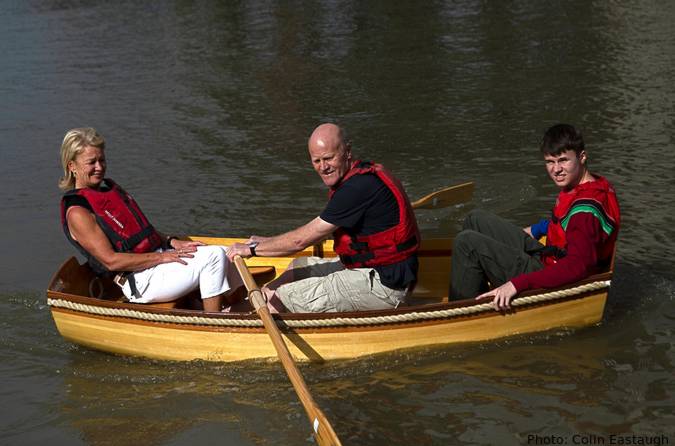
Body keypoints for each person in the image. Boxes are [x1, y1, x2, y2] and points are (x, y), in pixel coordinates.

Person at [226, 123, 420, 313]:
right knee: (296, 267)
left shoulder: (357, 188)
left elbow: (299, 241)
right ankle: (230, 313)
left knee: (281, 298)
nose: (323, 167)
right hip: (369, 270)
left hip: (385, 285)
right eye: (316, 161)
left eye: (328, 158)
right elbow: (317, 232)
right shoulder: (355, 178)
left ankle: (252, 319)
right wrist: (268, 242)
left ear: (347, 151)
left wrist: (251, 250)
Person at [58, 127, 242, 312]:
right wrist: (161, 257)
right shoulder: (78, 212)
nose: (99, 167)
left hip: (157, 263)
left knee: (227, 252)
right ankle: (212, 324)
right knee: (214, 258)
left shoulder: (107, 190)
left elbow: (140, 232)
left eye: (102, 160)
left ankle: (239, 308)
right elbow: (111, 261)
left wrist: (172, 241)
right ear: (72, 166)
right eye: (92, 162)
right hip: (140, 281)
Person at [450, 123, 620, 310]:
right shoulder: (588, 184)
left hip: (554, 272)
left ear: (582, 157)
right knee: (475, 219)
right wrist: (537, 230)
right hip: (550, 255)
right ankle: (478, 284)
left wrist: (517, 284)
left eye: (563, 160)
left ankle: (461, 312)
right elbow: (565, 225)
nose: (556, 170)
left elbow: (577, 266)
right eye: (550, 161)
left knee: (466, 244)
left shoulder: (585, 213)